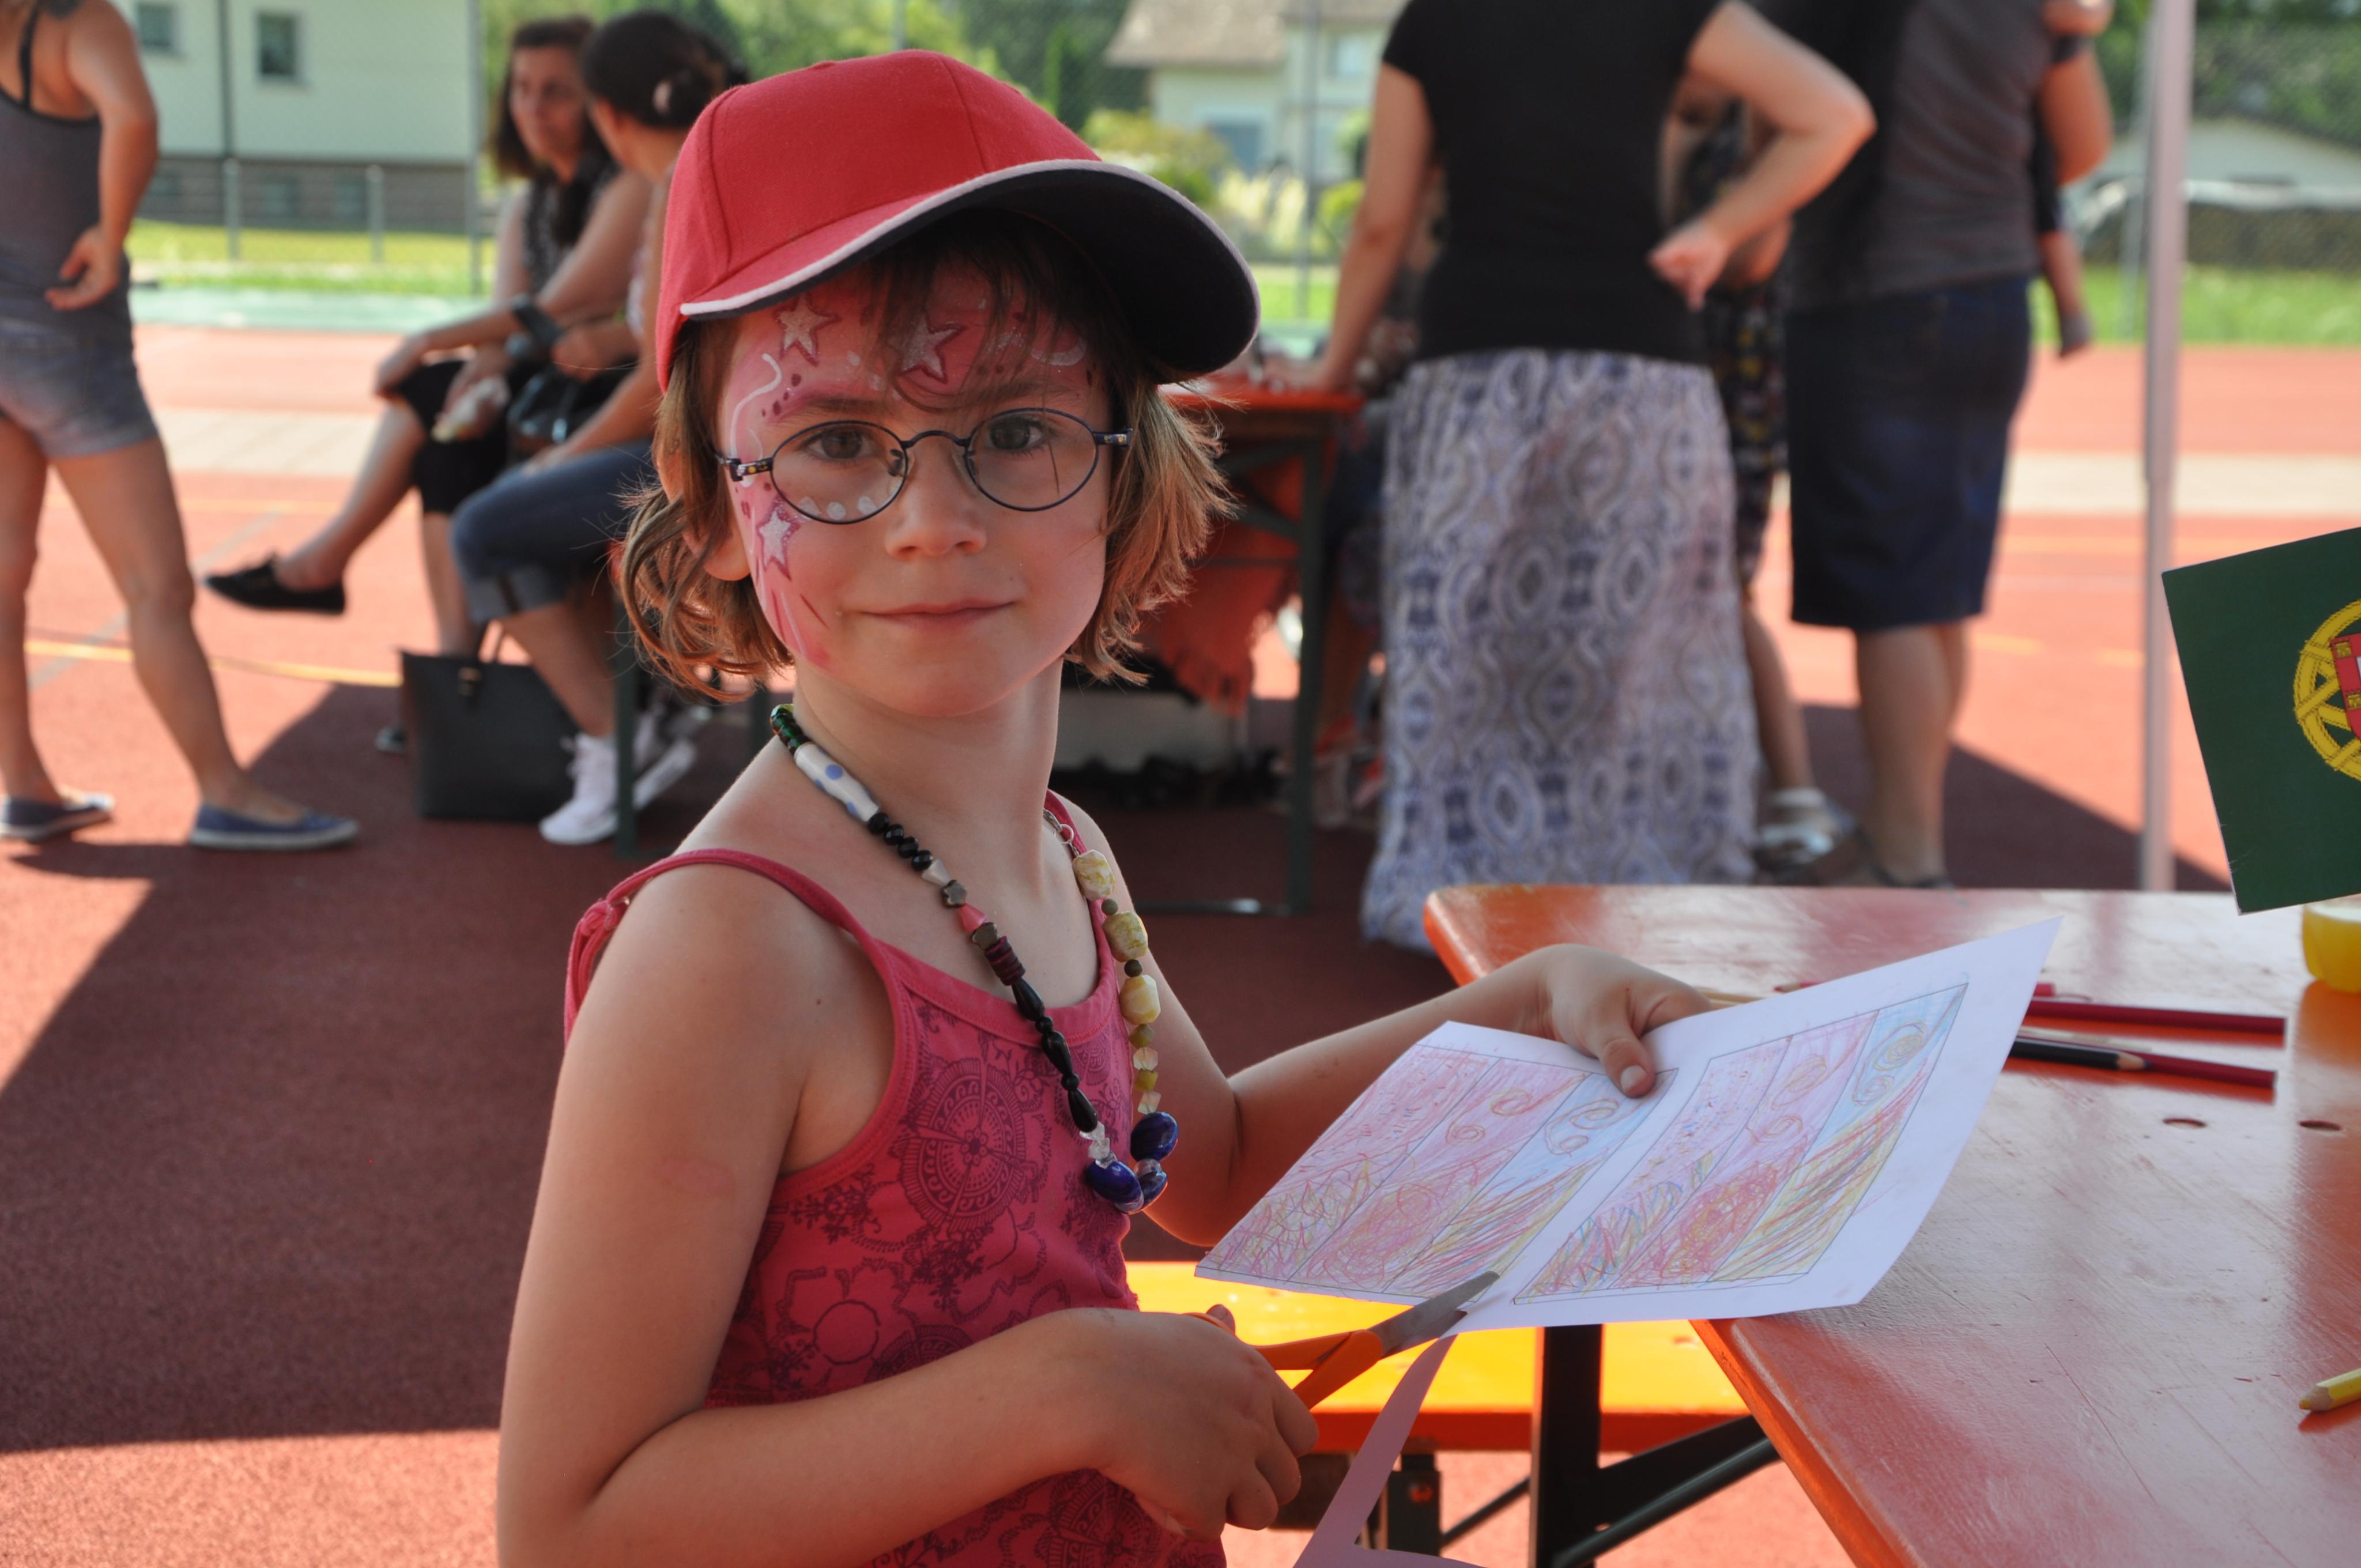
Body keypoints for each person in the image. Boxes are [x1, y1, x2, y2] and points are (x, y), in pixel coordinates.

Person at [495, 52, 1711, 1564]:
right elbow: (572, 1526)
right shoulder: (726, 950)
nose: (935, 520)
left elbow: (1218, 1161)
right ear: (711, 501)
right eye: (835, 442)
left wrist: (1532, 1000)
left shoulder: (1063, 851)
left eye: (1018, 429)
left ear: (1121, 470)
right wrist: (1061, 1390)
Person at [1310, 0, 1872, 950]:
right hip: (1642, 372)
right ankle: (1651, 907)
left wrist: (1332, 374)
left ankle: (1467, 906)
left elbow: (1384, 221)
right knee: (1645, 650)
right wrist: (1717, 229)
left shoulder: (1435, 19)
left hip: (1478, 368)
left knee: (1466, 644)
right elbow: (1835, 113)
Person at [203, 14, 649, 732]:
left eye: (557, 91)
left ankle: (342, 574)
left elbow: (553, 308)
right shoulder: (530, 201)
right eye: (521, 89)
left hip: (603, 390)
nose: (534, 108)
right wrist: (482, 373)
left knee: (427, 388)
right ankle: (450, 672)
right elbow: (510, 328)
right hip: (542, 390)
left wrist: (428, 342)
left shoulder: (628, 185)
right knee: (448, 432)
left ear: (598, 102)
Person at [1770, 0, 2114, 887]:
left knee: (1890, 590)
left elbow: (1768, 121)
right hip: (1990, 298)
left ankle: (1904, 851)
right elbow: (2082, 145)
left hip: (1872, 295)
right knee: (1936, 587)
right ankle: (1901, 831)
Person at [0, 0, 352, 849]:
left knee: (4, 580)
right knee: (156, 588)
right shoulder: (74, 22)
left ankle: (25, 786)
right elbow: (134, 116)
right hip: (67, 344)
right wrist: (110, 233)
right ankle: (224, 792)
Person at [443, 10, 739, 846]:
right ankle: (639, 704)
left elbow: (658, 386)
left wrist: (566, 455)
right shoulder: (713, 168)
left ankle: (619, 738)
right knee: (521, 500)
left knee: (484, 528)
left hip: (698, 460)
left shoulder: (674, 186)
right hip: (726, 443)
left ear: (607, 113)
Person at [1665, 83, 1849, 875]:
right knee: (1691, 598)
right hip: (1686, 382)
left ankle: (1795, 789)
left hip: (1730, 395)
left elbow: (1751, 258)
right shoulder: (1691, 131)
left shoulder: (1765, 137)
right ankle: (1722, 786)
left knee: (1725, 595)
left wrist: (1692, 159)